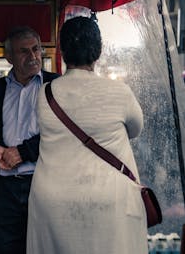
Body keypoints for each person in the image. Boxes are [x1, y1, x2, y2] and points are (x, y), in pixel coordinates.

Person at [27, 17, 146, 253]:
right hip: (110, 198)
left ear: (62, 50)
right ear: (99, 51)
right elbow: (135, 129)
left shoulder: (46, 93)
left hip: (53, 200)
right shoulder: (120, 92)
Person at [0, 27, 59, 254]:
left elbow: (63, 135)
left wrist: (24, 152)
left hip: (44, 185)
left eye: (36, 49)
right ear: (8, 56)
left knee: (45, 248)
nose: (32, 57)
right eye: (24, 51)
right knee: (7, 248)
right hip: (6, 187)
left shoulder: (55, 86)